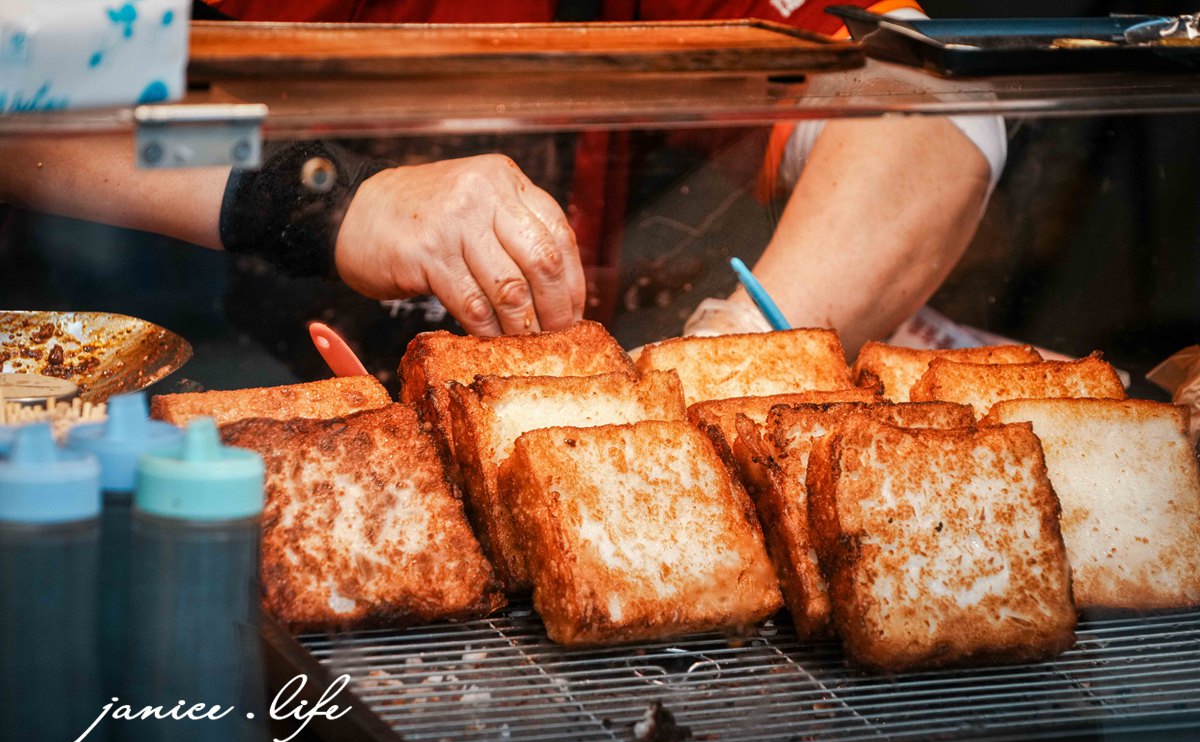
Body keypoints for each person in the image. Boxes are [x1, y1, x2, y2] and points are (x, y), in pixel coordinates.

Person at [0, 0, 1003, 359]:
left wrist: (753, 342)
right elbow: (27, 84)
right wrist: (330, 200)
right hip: (179, 376)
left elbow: (937, 105)